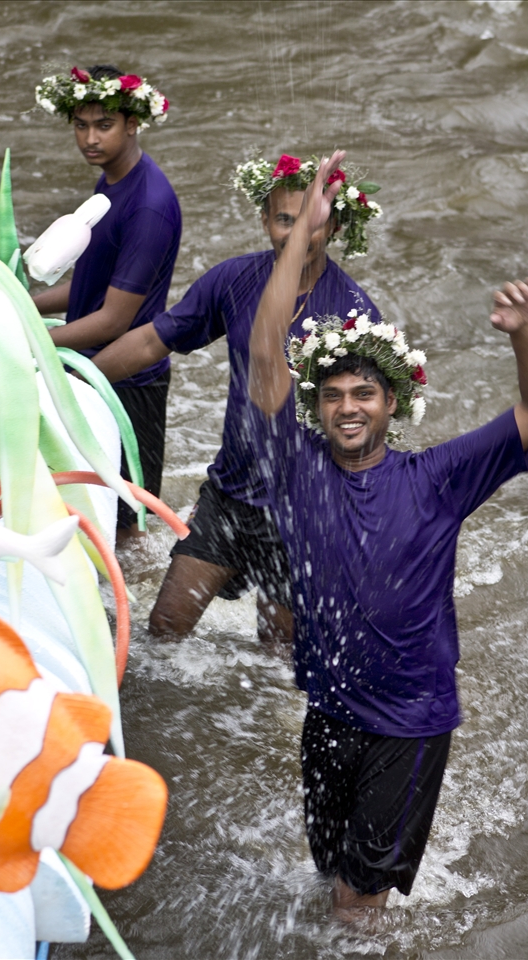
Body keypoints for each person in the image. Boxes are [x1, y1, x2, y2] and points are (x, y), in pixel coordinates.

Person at [247, 151, 528, 918]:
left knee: (357, 899)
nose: (348, 407)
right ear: (316, 407)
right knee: (329, 873)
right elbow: (266, 352)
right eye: (333, 395)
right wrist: (306, 227)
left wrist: (524, 332)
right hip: (327, 710)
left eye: (365, 393)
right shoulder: (299, 468)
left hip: (409, 723)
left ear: (393, 404)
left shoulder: (439, 478)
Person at [90, 152, 383, 642]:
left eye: (311, 222)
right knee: (163, 628)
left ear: (332, 228)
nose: (296, 234)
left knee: (277, 659)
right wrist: (79, 380)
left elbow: (366, 426)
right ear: (265, 219)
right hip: (230, 494)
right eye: (284, 219)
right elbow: (150, 341)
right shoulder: (234, 281)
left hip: (305, 511)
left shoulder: (354, 315)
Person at [32, 64, 181, 539]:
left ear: (133, 123)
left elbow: (115, 319)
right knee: (81, 507)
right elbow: (91, 287)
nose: (90, 138)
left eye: (104, 125)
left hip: (129, 384)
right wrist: (19, 300)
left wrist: (29, 339)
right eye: (81, 125)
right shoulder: (111, 183)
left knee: (128, 526)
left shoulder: (148, 205)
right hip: (90, 371)